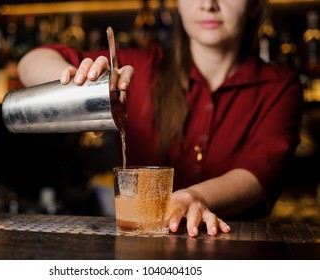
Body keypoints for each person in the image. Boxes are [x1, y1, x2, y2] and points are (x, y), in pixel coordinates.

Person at [16, 0, 303, 237]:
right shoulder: (137, 68)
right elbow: (30, 63)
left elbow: (260, 172)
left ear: (254, 6)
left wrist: (195, 197)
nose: (208, 5)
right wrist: (85, 83)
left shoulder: (280, 86)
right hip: (140, 254)